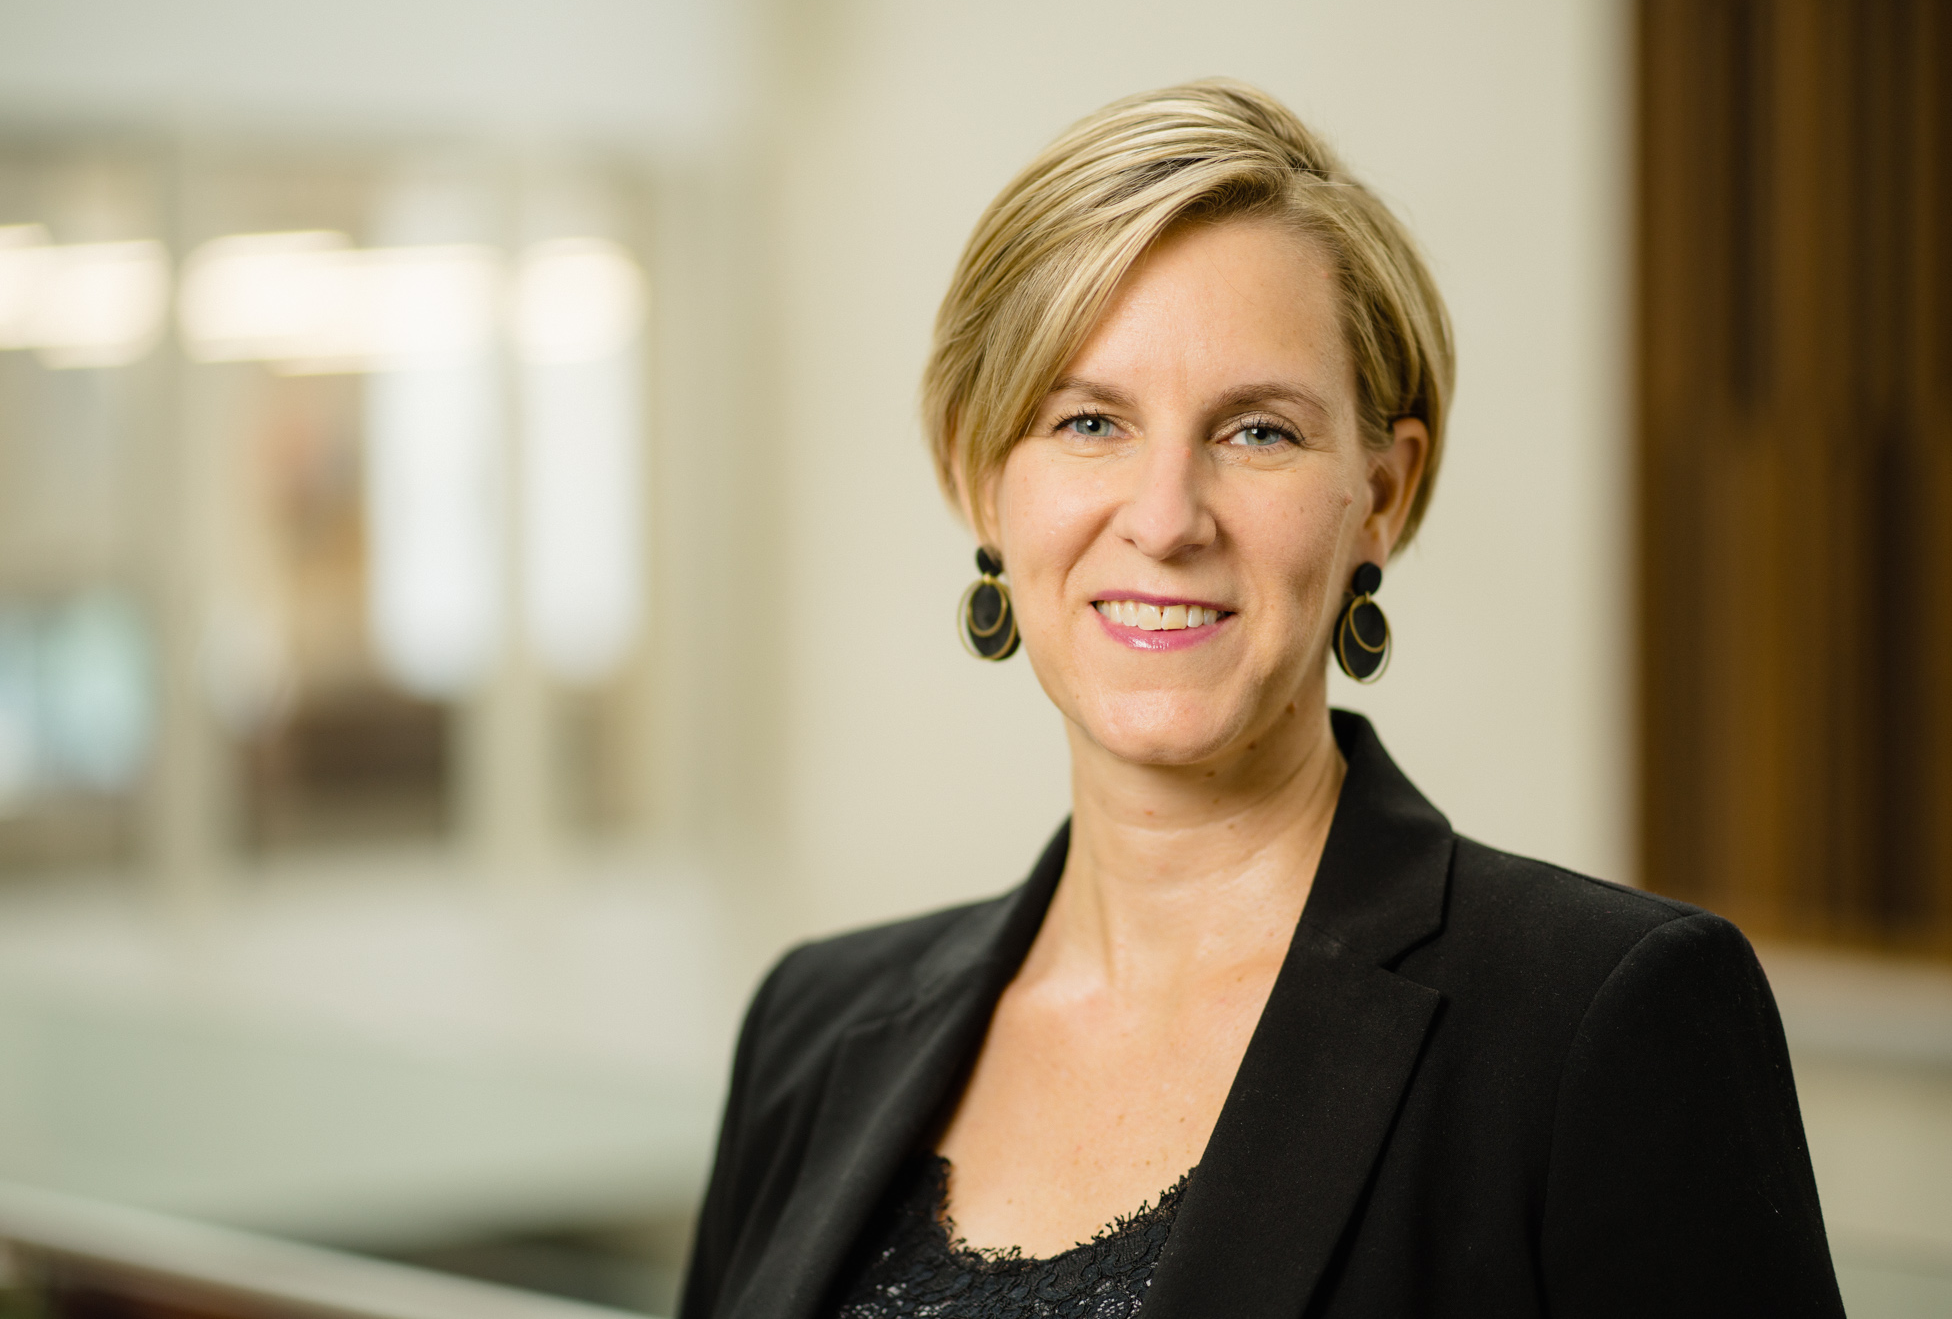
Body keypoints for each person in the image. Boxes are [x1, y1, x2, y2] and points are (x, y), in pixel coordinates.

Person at [678, 80, 1844, 1319]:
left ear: (1380, 497)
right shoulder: (813, 1025)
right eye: (1087, 421)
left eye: (1257, 434)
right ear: (980, 478)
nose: (1167, 518)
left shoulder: (1601, 1022)